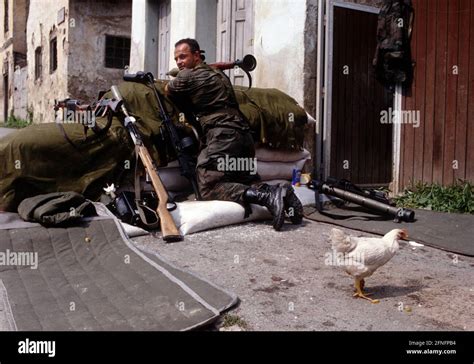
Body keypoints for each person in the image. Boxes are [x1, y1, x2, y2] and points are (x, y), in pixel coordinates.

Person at [165, 38, 303, 231]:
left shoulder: (187, 76)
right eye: (176, 59)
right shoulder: (218, 73)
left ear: (197, 55)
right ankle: (279, 192)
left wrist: (178, 76)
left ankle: (268, 196)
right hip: (243, 137)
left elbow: (167, 90)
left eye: (183, 57)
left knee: (207, 186)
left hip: (222, 136)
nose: (179, 62)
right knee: (244, 179)